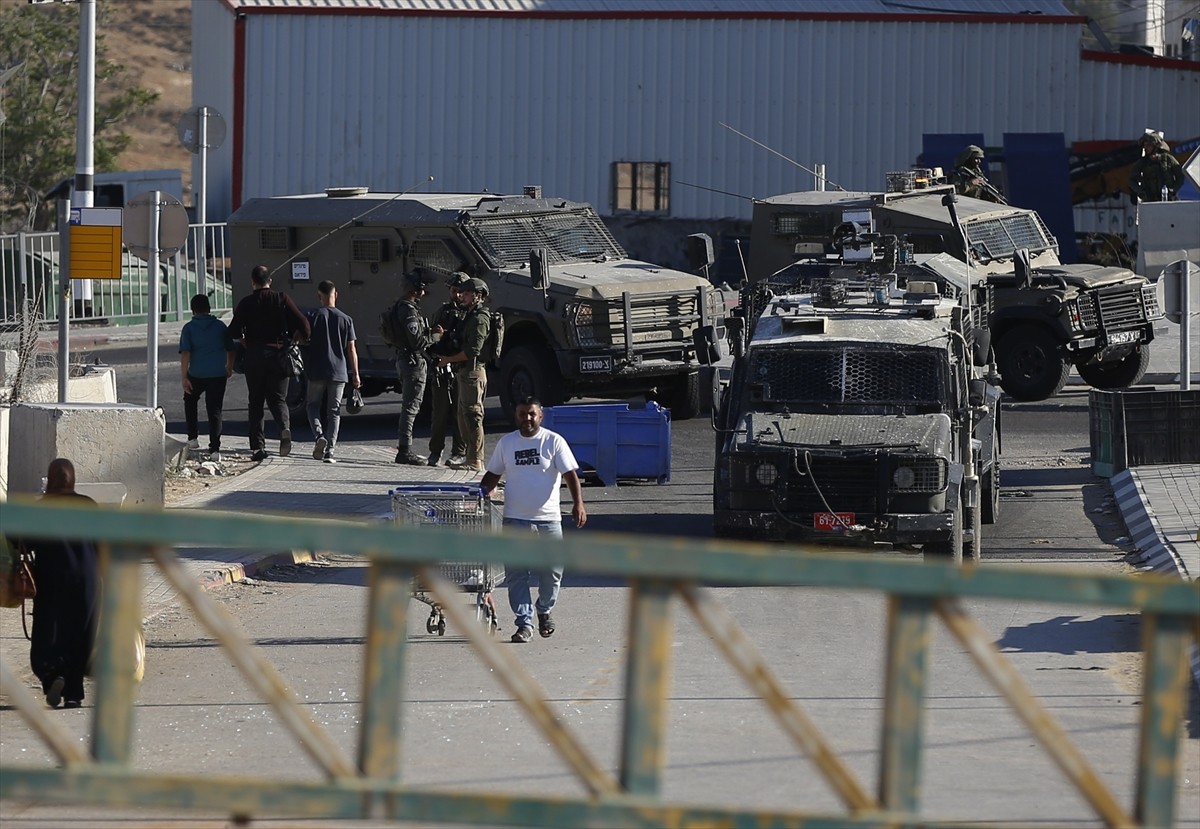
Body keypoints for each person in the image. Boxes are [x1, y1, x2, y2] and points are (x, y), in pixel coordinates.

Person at [480, 397, 586, 644]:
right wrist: (481, 493)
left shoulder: (553, 441)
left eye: (531, 414)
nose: (526, 418)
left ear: (540, 417)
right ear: (515, 416)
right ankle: (524, 624)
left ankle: (544, 609)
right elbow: (492, 475)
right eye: (521, 414)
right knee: (517, 573)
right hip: (515, 519)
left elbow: (570, 474)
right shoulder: (507, 443)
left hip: (548, 519)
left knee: (553, 569)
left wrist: (578, 503)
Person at [13, 459, 100, 708]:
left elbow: (23, 543)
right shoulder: (89, 506)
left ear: (50, 480)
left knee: (48, 634)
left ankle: (53, 677)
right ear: (73, 480)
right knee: (80, 634)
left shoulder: (41, 508)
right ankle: (73, 693)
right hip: (88, 582)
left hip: (51, 582)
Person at [227, 264, 311, 462]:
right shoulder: (281, 299)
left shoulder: (246, 303)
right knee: (279, 399)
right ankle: (284, 429)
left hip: (255, 356)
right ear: (270, 281)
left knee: (255, 401)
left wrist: (245, 341)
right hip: (279, 355)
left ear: (252, 282)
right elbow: (304, 325)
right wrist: (296, 340)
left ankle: (258, 448)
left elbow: (232, 331)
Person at [437, 277, 492, 472]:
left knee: (472, 416)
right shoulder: (468, 315)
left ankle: (475, 460)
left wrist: (448, 360)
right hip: (465, 372)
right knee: (463, 417)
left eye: (467, 293)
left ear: (478, 296)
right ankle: (470, 457)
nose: (462, 296)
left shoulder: (479, 319)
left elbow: (472, 351)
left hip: (473, 372)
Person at [305, 280, 360, 464]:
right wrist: (356, 374)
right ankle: (331, 451)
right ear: (336, 295)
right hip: (339, 372)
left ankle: (319, 436)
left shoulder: (314, 316)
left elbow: (303, 338)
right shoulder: (346, 319)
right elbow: (351, 349)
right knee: (334, 412)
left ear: (318, 296)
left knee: (312, 406)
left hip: (317, 370)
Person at [388, 270, 437, 465]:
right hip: (412, 362)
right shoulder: (408, 310)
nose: (424, 290)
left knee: (410, 406)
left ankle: (405, 448)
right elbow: (417, 341)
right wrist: (434, 336)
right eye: (421, 286)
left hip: (404, 359)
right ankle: (405, 450)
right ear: (414, 289)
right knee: (411, 407)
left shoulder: (402, 307)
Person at [179, 293, 235, 461]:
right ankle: (215, 448)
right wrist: (229, 367)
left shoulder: (188, 328)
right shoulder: (220, 326)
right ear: (209, 309)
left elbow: (185, 353)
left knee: (190, 400)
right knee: (215, 409)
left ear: (192, 310)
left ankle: (193, 438)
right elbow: (231, 349)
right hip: (218, 374)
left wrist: (184, 377)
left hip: (196, 373)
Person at [426, 271, 471, 467]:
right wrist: (436, 335)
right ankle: (435, 451)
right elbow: (430, 341)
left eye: (462, 291)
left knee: (460, 412)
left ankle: (459, 451)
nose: (458, 295)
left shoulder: (471, 314)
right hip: (443, 368)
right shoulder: (442, 312)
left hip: (461, 367)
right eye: (454, 291)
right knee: (439, 412)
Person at [1129, 132, 1184, 203]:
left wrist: (1172, 190)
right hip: (1149, 201)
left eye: (1148, 145)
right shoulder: (1142, 162)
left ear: (1156, 146)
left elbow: (1180, 176)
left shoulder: (1168, 159)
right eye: (1144, 145)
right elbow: (1131, 180)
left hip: (1168, 200)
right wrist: (1140, 192)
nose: (1145, 148)